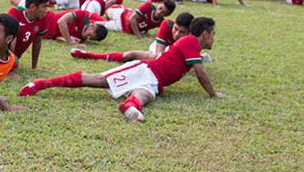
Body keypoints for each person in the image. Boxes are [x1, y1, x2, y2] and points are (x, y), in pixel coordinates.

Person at [19, 17, 222, 123]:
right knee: (98, 80)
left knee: (144, 96)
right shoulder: (189, 41)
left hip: (155, 81)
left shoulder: (191, 45)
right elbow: (201, 74)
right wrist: (213, 94)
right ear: (205, 34)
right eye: (212, 34)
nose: (213, 38)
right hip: (145, 71)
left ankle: (129, 106)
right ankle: (40, 84)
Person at [71, 11, 196, 63]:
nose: (176, 34)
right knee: (134, 55)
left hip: (174, 55)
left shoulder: (193, 38)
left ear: (189, 32)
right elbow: (158, 55)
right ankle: (89, 55)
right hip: (161, 51)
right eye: (175, 29)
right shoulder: (167, 24)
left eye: (182, 32)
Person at [100, 0, 174, 39]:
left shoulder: (161, 22)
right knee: (108, 11)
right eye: (160, 8)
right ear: (159, 4)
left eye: (163, 12)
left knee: (101, 25)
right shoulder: (148, 6)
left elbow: (171, 28)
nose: (159, 12)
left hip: (121, 28)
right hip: (121, 14)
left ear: (167, 14)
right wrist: (140, 36)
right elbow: (132, 19)